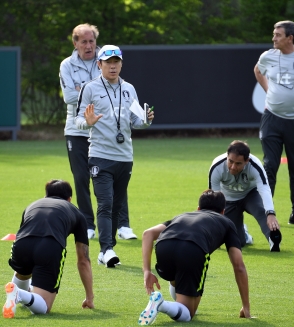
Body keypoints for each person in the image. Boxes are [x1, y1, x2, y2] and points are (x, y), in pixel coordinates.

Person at [75, 45, 154, 268]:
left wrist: (146, 121)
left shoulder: (129, 88)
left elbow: (136, 122)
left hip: (125, 156)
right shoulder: (89, 89)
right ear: (99, 64)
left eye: (116, 62)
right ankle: (106, 249)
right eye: (108, 62)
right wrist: (87, 123)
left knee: (117, 205)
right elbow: (78, 121)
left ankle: (106, 250)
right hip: (100, 155)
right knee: (105, 203)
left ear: (121, 64)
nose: (112, 66)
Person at [59, 24, 136, 240]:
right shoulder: (67, 65)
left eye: (91, 41)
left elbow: (113, 88)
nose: (88, 45)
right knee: (82, 177)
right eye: (83, 41)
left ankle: (123, 225)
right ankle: (87, 224)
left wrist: (83, 89)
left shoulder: (106, 58)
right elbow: (69, 97)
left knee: (116, 173)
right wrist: (91, 91)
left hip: (106, 130)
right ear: (75, 43)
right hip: (77, 128)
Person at [138, 189, 251, 326]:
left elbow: (147, 234)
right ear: (223, 211)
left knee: (181, 279)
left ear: (198, 209)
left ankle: (180, 302)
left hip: (164, 246)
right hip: (192, 250)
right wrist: (246, 307)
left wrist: (146, 272)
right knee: (187, 314)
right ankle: (162, 304)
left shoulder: (182, 216)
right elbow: (239, 266)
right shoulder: (226, 222)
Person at [2, 179, 94, 319]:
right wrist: (89, 297)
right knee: (44, 306)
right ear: (69, 199)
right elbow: (83, 260)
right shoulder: (77, 213)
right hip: (49, 247)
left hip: (20, 244)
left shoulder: (32, 205)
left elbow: (23, 233)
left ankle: (17, 293)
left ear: (46, 196)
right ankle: (19, 294)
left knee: (23, 271)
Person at [254, 20, 294, 225]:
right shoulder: (267, 56)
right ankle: (267, 212)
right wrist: (269, 92)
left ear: (290, 38)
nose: (274, 38)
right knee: (269, 165)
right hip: (271, 118)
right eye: (273, 34)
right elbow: (257, 71)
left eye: (278, 35)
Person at [208, 140, 282, 251]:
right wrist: (215, 226)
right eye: (230, 161)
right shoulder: (217, 166)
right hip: (228, 200)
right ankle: (245, 235)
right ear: (227, 156)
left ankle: (273, 240)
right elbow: (214, 196)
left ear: (247, 161)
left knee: (261, 211)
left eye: (238, 163)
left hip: (251, 194)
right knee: (239, 242)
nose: (233, 167)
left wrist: (271, 213)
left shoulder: (255, 165)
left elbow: (264, 189)